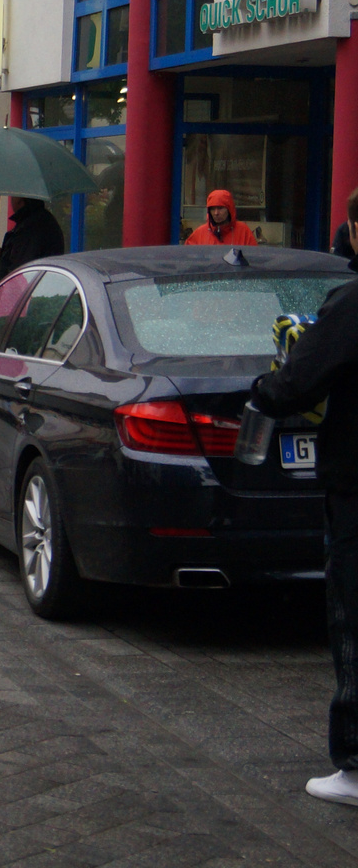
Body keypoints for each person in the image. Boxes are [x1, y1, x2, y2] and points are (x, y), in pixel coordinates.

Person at [250, 264, 358, 807]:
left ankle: (356, 766)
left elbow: (295, 382)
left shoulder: (351, 303)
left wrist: (264, 391)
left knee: (353, 618)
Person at [0, 197, 65, 275]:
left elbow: (20, 271)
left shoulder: (31, 227)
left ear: (20, 198)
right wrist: (2, 257)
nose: (11, 200)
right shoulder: (36, 220)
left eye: (12, 196)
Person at [185, 188, 258, 246]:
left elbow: (253, 258)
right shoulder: (200, 233)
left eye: (220, 208)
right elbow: (187, 258)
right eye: (213, 209)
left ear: (229, 209)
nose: (216, 213)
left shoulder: (243, 231)